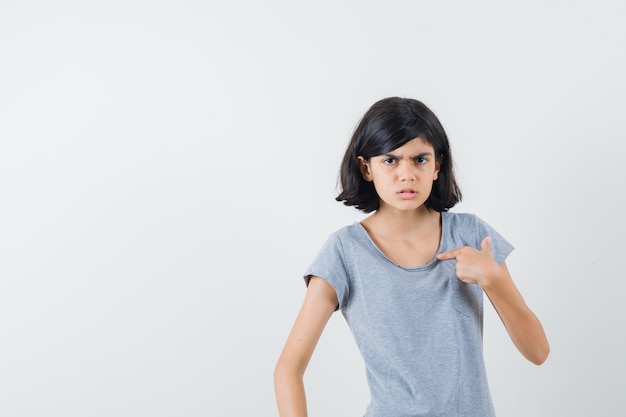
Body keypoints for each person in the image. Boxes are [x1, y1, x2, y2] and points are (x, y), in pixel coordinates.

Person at [274, 97, 549, 417]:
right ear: (366, 168)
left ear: (437, 166)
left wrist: (494, 279)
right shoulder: (345, 251)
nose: (406, 174)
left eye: (419, 159)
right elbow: (288, 369)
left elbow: (538, 351)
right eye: (390, 160)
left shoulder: (473, 236)